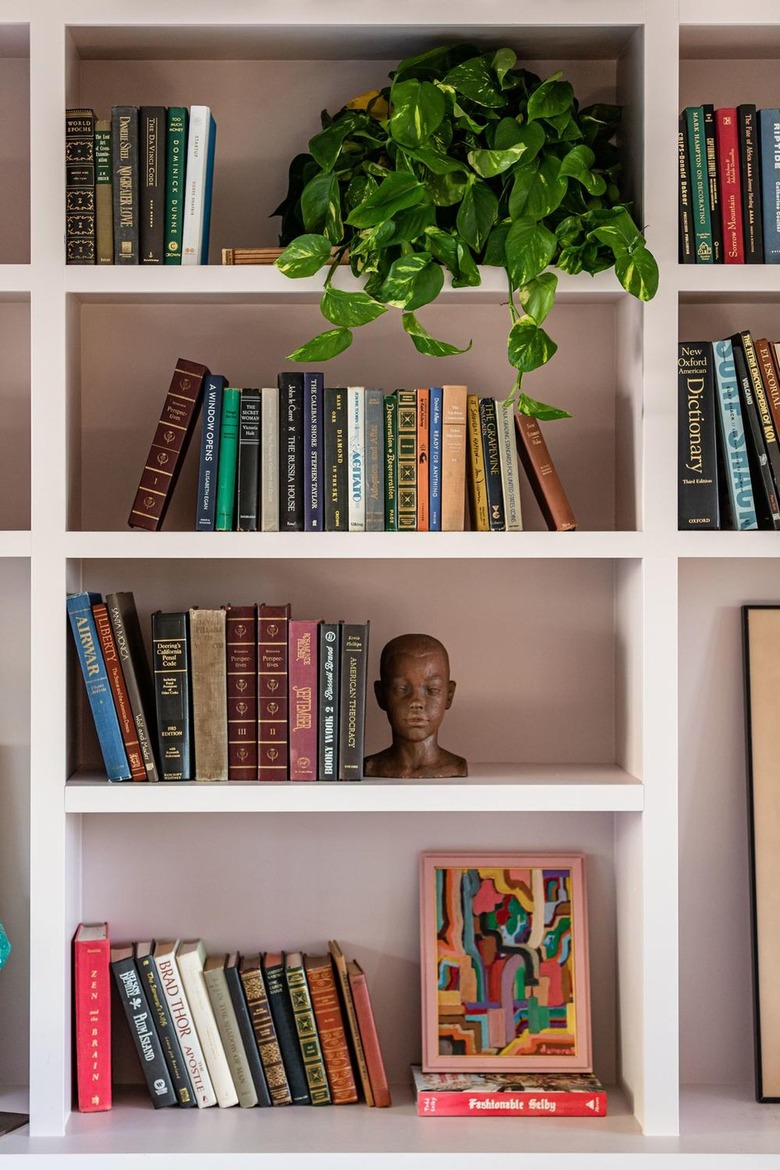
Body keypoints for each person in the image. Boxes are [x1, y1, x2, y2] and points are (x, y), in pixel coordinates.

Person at [363, 632, 467, 778]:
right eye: (401, 689)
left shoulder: (455, 766)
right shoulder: (370, 766)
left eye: (432, 690)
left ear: (449, 695)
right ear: (381, 695)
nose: (416, 702)